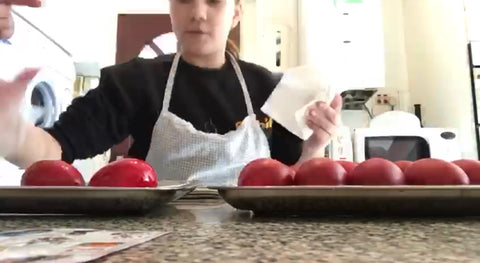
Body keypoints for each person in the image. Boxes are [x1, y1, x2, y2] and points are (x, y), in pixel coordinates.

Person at [0, 0, 342, 186]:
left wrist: (313, 148)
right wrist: (12, 135)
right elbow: (56, 148)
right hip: (154, 245)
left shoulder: (268, 89)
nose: (197, 11)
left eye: (213, 1)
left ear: (236, 12)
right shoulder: (134, 82)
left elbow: (291, 181)